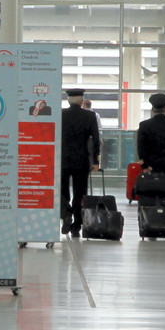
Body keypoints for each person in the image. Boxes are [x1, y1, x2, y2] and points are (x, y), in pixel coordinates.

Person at [60, 89, 101, 237]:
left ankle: (65, 213)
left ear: (68, 100)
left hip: (62, 159)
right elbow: (96, 139)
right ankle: (77, 226)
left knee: (62, 190)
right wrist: (96, 160)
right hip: (82, 160)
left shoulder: (60, 114)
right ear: (82, 101)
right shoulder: (90, 116)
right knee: (80, 193)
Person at [135, 93, 165, 177]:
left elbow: (141, 149)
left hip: (151, 167)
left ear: (153, 110)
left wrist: (144, 166)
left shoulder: (144, 125)